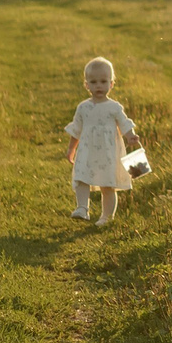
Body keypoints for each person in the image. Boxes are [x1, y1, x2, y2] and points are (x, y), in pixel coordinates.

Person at [65, 57, 141, 224]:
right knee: (81, 177)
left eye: (103, 81)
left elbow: (125, 122)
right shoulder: (83, 107)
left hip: (108, 153)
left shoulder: (114, 107)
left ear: (111, 84)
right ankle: (82, 208)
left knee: (108, 185)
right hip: (87, 151)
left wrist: (130, 136)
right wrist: (71, 149)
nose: (98, 86)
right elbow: (76, 129)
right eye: (93, 82)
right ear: (86, 85)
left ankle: (107, 216)